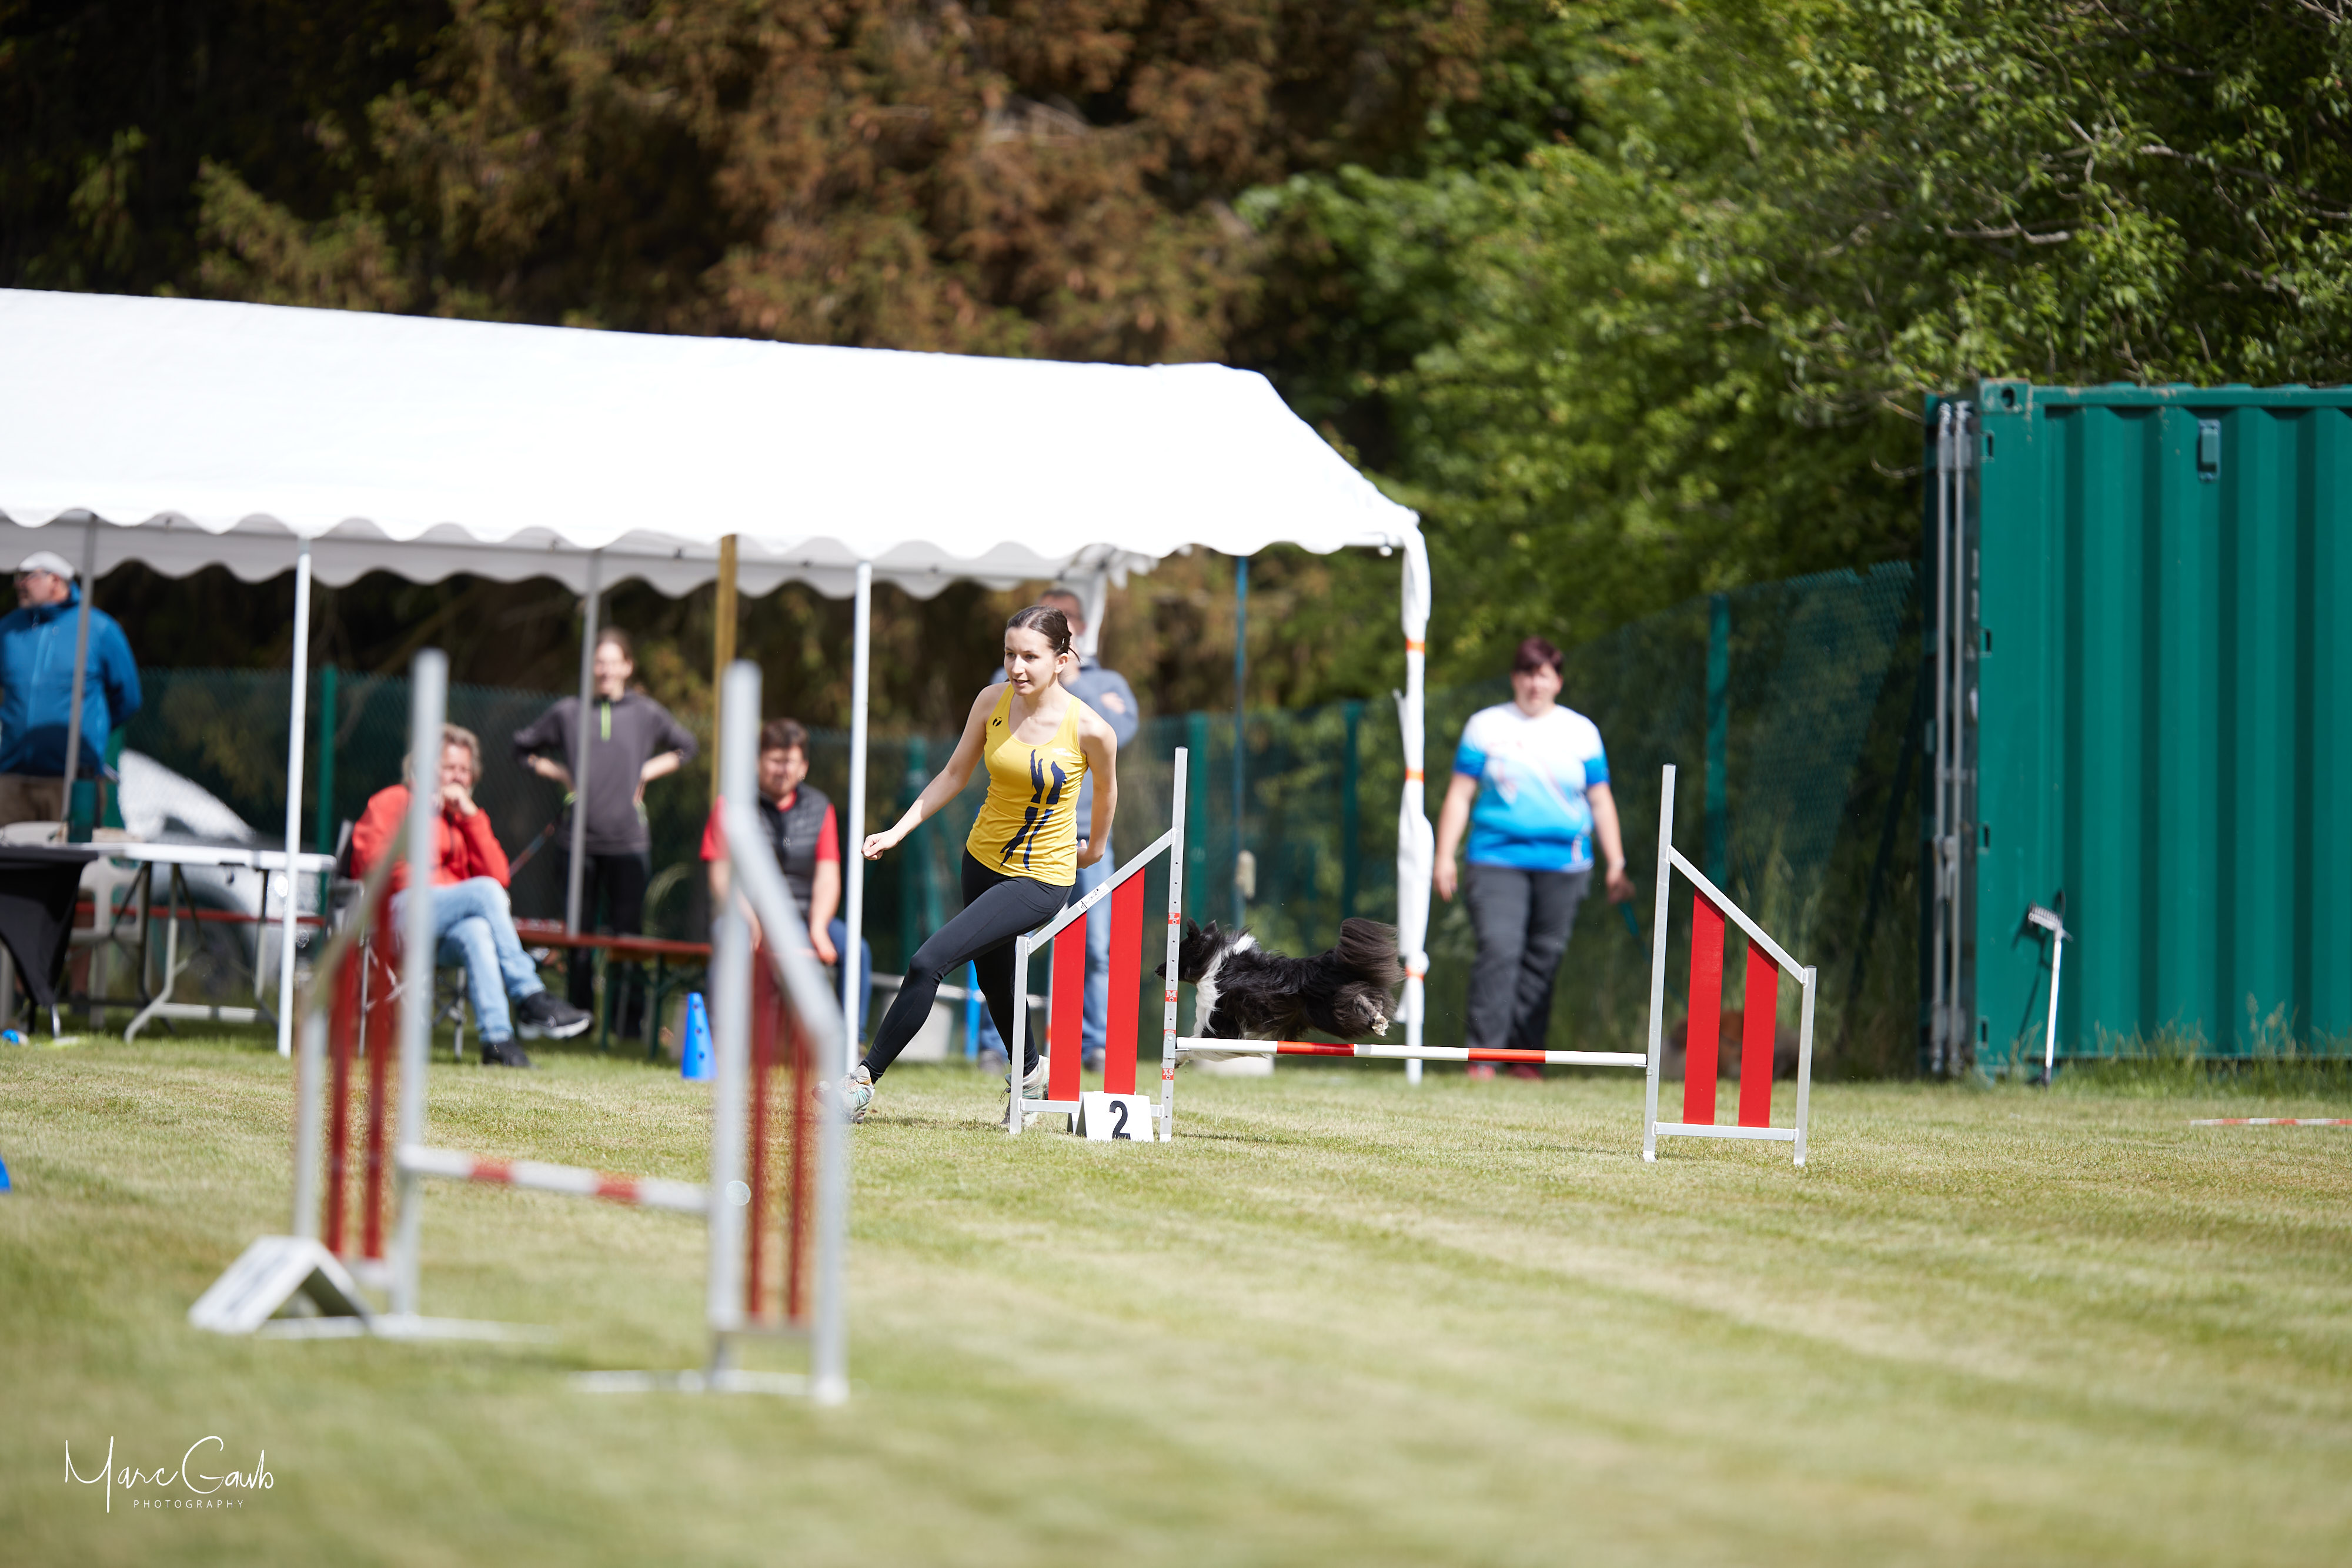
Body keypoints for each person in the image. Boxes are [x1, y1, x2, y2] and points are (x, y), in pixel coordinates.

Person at [837, 603, 1120, 1121]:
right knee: (996, 981)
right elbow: (953, 773)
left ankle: (860, 1083)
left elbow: (1107, 793)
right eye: (1010, 654)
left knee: (928, 961)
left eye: (1030, 656)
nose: (1017, 667)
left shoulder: (1092, 730)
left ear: (1061, 660)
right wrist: (897, 830)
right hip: (981, 860)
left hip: (1041, 877)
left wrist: (1096, 849)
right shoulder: (992, 700)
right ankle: (1031, 1075)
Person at [1433, 636, 1635, 1079]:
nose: (1534, 683)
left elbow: (1601, 801)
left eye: (1543, 674)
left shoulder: (1581, 732)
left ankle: (1526, 1061)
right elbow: (1460, 795)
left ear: (1558, 681)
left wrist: (1616, 863)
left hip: (1565, 863)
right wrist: (1444, 855)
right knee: (1499, 948)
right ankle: (1483, 1060)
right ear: (1514, 678)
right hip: (1495, 858)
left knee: (1544, 958)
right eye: (1526, 673)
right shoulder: (1486, 726)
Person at [352, 724, 593, 1067]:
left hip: (442, 929)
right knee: (483, 894)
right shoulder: (394, 801)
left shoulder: (463, 817)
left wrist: (472, 817)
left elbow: (499, 877)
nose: (459, 777)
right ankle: (529, 995)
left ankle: (498, 1043)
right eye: (449, 767)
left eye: (465, 769)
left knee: (477, 931)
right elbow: (374, 866)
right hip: (397, 917)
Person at [975, 587, 1138, 1070]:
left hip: (1085, 835)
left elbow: (1119, 731)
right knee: (1000, 942)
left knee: (1096, 945)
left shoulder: (1108, 681)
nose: (1021, 664)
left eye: (1065, 618)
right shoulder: (1010, 675)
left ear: (1078, 631)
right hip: (1021, 838)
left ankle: (1094, 1044)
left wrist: (1074, 679)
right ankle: (996, 1043)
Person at [511, 628, 697, 1038]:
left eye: (614, 662)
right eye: (599, 662)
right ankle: (578, 1021)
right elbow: (522, 748)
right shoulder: (568, 712)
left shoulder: (646, 712)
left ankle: (627, 1025)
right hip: (576, 844)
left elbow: (687, 747)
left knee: (628, 939)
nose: (606, 670)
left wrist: (645, 771)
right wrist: (561, 773)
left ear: (628, 666)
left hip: (628, 843)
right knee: (578, 936)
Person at [699, 717, 871, 1034]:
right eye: (775, 761)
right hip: (748, 917)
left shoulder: (820, 808)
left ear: (803, 766)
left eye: (790, 762)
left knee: (856, 949)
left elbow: (828, 875)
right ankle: (720, 1035)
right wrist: (750, 919)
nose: (782, 770)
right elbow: (721, 874)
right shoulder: (731, 805)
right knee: (727, 935)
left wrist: (818, 927)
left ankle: (851, 1040)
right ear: (758, 762)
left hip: (805, 918)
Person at [0, 549, 142, 827]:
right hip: (11, 780)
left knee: (69, 855)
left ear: (55, 580)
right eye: (18, 576)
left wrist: (90, 730)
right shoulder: (8, 629)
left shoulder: (99, 629)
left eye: (28, 576)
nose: (19, 584)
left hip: (74, 783)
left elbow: (128, 699)